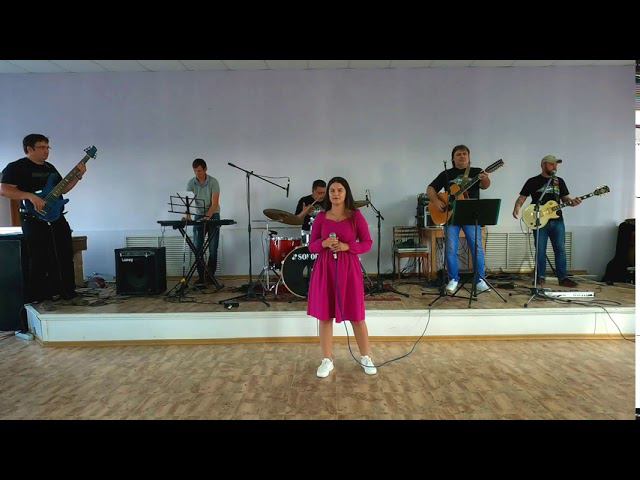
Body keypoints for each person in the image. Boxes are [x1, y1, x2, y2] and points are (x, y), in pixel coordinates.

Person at [0, 134, 87, 306]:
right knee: (39, 256)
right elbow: (4, 190)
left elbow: (64, 189)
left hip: (56, 216)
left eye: (48, 147)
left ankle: (67, 292)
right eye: (41, 147)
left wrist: (78, 176)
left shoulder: (50, 168)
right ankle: (39, 296)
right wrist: (30, 196)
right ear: (29, 149)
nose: (46, 151)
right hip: (33, 218)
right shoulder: (16, 167)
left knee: (64, 252)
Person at [307, 176, 376, 378]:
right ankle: (326, 359)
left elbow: (367, 243)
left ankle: (366, 357)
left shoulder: (355, 216)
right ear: (328, 194)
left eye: (339, 190)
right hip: (325, 269)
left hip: (349, 268)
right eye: (332, 191)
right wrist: (324, 243)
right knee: (325, 315)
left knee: (357, 315)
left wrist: (347, 246)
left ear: (346, 193)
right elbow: (311, 246)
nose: (335, 194)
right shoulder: (321, 217)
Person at [427, 145, 491, 294]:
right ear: (453, 158)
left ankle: (480, 280)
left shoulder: (476, 172)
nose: (462, 156)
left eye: (464, 154)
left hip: (471, 214)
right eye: (458, 154)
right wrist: (436, 201)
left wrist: (486, 178)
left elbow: (485, 186)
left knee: (477, 248)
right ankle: (453, 279)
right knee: (450, 248)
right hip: (451, 216)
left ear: (469, 157)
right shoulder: (446, 174)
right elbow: (430, 189)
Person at [512, 155, 581, 287]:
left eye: (556, 164)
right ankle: (540, 277)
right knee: (540, 250)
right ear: (543, 165)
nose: (555, 166)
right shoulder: (532, 181)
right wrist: (517, 208)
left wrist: (572, 202)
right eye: (551, 164)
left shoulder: (559, 181)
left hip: (557, 220)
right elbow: (522, 198)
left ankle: (563, 278)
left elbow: (565, 199)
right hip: (538, 220)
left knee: (560, 249)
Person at [186, 158, 221, 287]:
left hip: (213, 215)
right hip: (198, 215)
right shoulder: (191, 183)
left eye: (199, 171)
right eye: (195, 171)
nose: (197, 173)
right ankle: (201, 278)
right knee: (197, 248)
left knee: (213, 249)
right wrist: (188, 216)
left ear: (205, 169)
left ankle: (210, 277)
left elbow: (214, 203)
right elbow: (188, 203)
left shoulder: (213, 182)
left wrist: (207, 217)